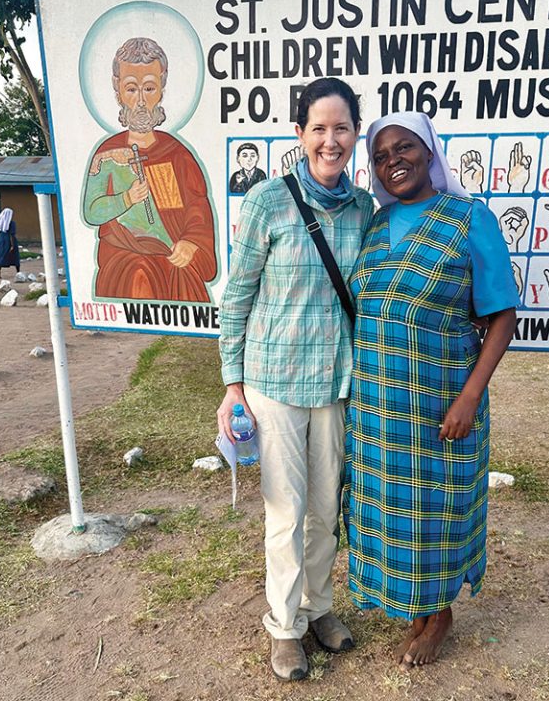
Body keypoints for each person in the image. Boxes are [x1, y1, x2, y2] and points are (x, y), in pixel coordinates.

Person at [344, 112, 518, 670]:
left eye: (405, 148)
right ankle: (410, 604)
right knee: (393, 509)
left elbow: (502, 316)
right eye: (379, 154)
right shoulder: (375, 225)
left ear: (430, 153)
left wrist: (469, 397)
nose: (393, 160)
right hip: (376, 404)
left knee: (437, 508)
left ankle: (438, 613)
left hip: (441, 400)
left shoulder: (469, 219)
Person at [217, 78, 374, 682]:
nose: (330, 140)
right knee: (285, 512)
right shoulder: (267, 201)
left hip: (336, 385)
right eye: (318, 128)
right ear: (300, 134)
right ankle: (284, 629)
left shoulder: (363, 209)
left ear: (355, 133)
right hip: (274, 383)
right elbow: (237, 297)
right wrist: (234, 385)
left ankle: (317, 610)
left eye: (341, 128)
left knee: (324, 509)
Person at [82, 37, 217, 302]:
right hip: (124, 252)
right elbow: (91, 211)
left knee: (188, 288)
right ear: (117, 88)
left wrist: (191, 242)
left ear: (162, 88)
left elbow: (196, 207)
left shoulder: (175, 153)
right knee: (138, 275)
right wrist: (127, 198)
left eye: (150, 88)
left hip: (170, 252)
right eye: (132, 89)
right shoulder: (106, 155)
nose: (141, 101)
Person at [0, 208, 20, 279]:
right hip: (9, 239)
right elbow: (12, 234)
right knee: (15, 255)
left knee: (2, 255)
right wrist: (12, 245)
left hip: (1, 239)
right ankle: (18, 272)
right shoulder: (12, 223)